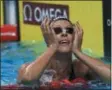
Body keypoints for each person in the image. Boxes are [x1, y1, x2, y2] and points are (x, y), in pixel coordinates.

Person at [17, 17, 110, 85]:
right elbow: (28, 80)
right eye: (57, 30)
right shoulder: (35, 69)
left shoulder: (81, 69)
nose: (64, 33)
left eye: (69, 30)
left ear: (75, 37)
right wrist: (52, 47)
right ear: (48, 36)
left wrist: (78, 52)